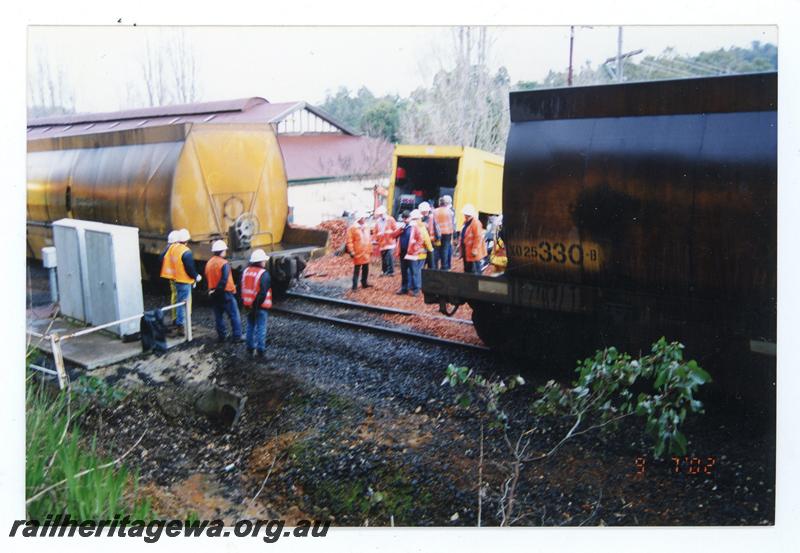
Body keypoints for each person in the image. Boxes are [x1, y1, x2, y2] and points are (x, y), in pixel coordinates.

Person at [163, 228, 201, 334]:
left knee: (179, 302)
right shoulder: (186, 251)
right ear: (186, 240)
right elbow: (190, 267)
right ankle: (182, 325)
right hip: (184, 281)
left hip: (176, 279)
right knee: (184, 303)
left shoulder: (173, 249)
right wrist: (196, 276)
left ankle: (182, 324)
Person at [205, 239, 243, 343]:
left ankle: (221, 336)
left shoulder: (209, 263)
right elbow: (224, 280)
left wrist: (213, 292)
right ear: (222, 251)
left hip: (213, 292)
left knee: (218, 316)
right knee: (234, 315)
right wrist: (219, 290)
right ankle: (237, 336)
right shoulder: (224, 263)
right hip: (225, 293)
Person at [240, 249, 272, 358]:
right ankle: (260, 350)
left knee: (250, 326)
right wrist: (256, 305)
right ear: (261, 261)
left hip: (248, 305)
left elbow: (242, 288)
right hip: (260, 306)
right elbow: (263, 293)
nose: (265, 262)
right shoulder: (264, 274)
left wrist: (247, 304)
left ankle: (249, 347)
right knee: (261, 328)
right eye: (264, 260)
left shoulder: (245, 272)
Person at [404, 209, 433, 296]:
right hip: (420, 254)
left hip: (412, 254)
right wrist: (430, 249)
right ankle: (416, 288)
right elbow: (427, 240)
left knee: (412, 271)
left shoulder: (410, 227)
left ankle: (412, 287)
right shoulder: (421, 227)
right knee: (417, 272)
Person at [346, 211, 373, 291]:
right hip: (358, 252)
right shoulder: (352, 228)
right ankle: (354, 286)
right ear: (359, 219)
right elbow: (349, 241)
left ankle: (364, 283)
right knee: (357, 270)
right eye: (363, 217)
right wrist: (351, 251)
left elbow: (369, 239)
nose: (364, 219)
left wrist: (370, 249)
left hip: (366, 251)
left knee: (366, 269)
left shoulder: (366, 227)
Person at [159, 230, 180, 324]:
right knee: (176, 296)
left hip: (171, 276)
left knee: (174, 295)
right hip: (176, 276)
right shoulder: (173, 249)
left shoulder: (166, 249)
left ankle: (175, 317)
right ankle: (176, 318)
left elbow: (160, 259)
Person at [460, 204, 487, 275]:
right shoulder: (466, 222)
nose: (466, 216)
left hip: (473, 252)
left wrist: (475, 249)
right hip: (467, 250)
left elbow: (478, 237)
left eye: (467, 215)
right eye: (465, 215)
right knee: (467, 269)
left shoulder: (476, 223)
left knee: (475, 270)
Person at [371, 205, 397, 276]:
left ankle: (390, 272)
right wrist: (375, 239)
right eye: (380, 214)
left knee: (389, 257)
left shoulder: (391, 219)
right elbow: (375, 232)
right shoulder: (378, 222)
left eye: (381, 214)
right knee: (384, 258)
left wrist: (393, 236)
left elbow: (395, 230)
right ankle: (384, 271)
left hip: (390, 242)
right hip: (382, 242)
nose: (380, 215)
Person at [393, 210, 413, 295]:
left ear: (410, 218)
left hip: (411, 251)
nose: (405, 220)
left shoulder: (413, 227)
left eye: (406, 218)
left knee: (411, 270)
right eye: (404, 218)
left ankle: (411, 287)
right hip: (403, 251)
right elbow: (393, 235)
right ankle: (404, 287)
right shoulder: (403, 227)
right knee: (404, 270)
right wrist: (399, 231)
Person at [433, 195, 455, 270]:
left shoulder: (435, 211)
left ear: (439, 203)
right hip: (447, 233)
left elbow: (433, 223)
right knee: (445, 250)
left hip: (437, 234)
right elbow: (452, 223)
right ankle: (444, 266)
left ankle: (435, 266)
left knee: (436, 249)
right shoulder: (450, 212)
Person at [418, 202, 437, 269]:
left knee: (430, 259)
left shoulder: (430, 218)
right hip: (428, 240)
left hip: (429, 240)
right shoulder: (427, 217)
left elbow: (429, 228)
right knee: (429, 259)